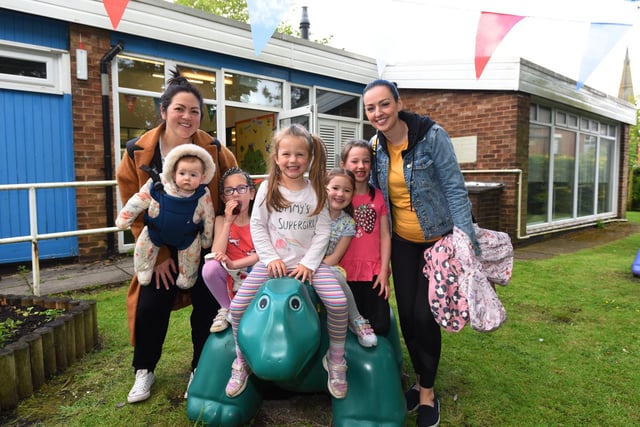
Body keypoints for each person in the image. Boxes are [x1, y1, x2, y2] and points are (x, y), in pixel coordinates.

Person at [116, 69, 237, 404]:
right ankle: (145, 369)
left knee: (209, 305)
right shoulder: (137, 152)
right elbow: (132, 206)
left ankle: (202, 366)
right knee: (150, 303)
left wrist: (229, 228)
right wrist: (162, 256)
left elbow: (233, 189)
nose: (187, 116)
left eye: (195, 111)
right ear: (163, 111)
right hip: (158, 246)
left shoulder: (214, 149)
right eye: (179, 109)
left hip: (204, 244)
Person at [363, 79, 480, 427]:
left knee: (426, 315)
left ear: (398, 103)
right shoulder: (375, 147)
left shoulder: (432, 136)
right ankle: (418, 378)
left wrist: (465, 241)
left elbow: (456, 191)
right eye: (371, 108)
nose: (378, 113)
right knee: (409, 318)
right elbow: (370, 194)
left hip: (438, 241)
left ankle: (427, 391)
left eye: (384, 104)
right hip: (402, 242)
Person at [225, 124, 349, 400]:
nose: (293, 160)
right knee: (236, 308)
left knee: (339, 303)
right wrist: (269, 259)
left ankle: (336, 358)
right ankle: (241, 360)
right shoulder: (268, 188)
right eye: (287, 154)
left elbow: (323, 231)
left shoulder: (316, 189)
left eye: (299, 155)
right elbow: (258, 226)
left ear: (309, 157)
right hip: (272, 266)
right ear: (277, 156)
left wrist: (309, 264)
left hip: (309, 266)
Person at [116, 144, 216, 290]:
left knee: (191, 256)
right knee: (144, 247)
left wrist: (207, 239)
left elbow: (209, 216)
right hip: (155, 231)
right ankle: (144, 269)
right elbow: (139, 199)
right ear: (174, 173)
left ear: (203, 177)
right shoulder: (160, 184)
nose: (187, 178)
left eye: (193, 175)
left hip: (188, 236)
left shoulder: (202, 194)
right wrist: (125, 217)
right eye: (182, 173)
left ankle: (187, 276)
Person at [339, 140, 391, 337]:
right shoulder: (340, 197)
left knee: (381, 326)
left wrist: (384, 271)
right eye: (355, 161)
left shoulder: (377, 196)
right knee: (345, 326)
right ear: (344, 164)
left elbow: (385, 235)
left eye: (366, 161)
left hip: (373, 272)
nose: (361, 166)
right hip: (345, 272)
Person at [324, 168, 377, 347]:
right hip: (303, 264)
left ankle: (356, 320)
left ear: (352, 194)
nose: (340, 194)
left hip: (328, 267)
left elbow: (336, 257)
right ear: (325, 189)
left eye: (347, 190)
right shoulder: (314, 214)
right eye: (335, 188)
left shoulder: (348, 223)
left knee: (336, 274)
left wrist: (315, 267)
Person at [202, 167, 258, 333]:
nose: (235, 194)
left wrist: (235, 263)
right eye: (229, 190)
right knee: (209, 267)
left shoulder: (258, 220)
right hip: (230, 274)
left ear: (252, 193)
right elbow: (216, 254)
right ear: (223, 197)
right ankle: (227, 308)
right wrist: (228, 222)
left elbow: (262, 254)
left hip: (253, 271)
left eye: (241, 189)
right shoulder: (221, 220)